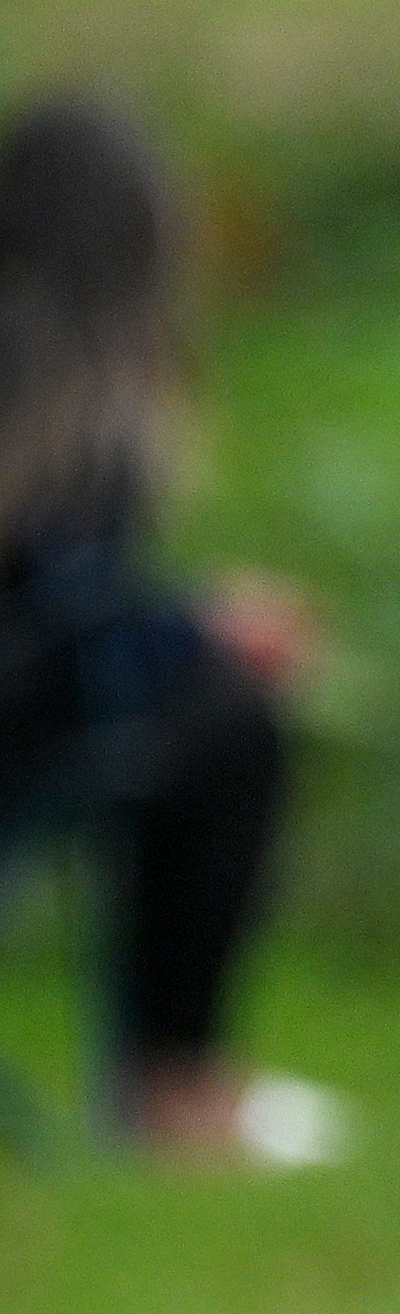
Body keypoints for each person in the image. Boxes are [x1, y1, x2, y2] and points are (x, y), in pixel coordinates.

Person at [0, 91, 337, 1169]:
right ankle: (169, 1084)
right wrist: (200, 632)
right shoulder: (64, 395)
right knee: (236, 729)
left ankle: (166, 1079)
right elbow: (55, 624)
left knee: (211, 713)